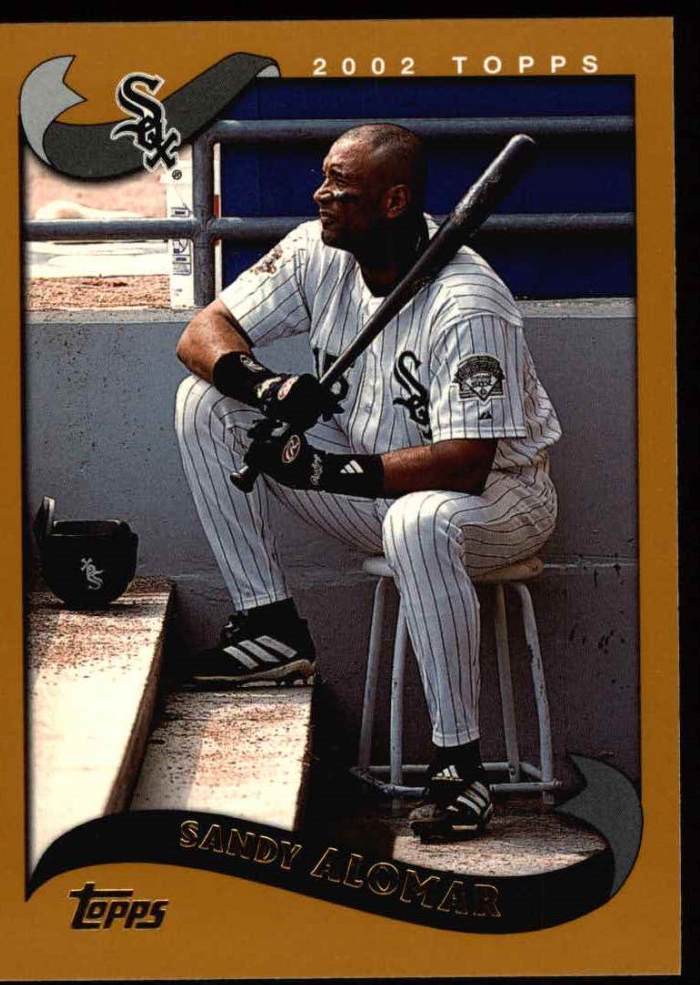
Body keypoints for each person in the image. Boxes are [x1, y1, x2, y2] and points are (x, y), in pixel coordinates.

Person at [174, 123, 561, 842]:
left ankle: (459, 769)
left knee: (421, 520)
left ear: (394, 202)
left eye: (341, 187)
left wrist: (326, 470)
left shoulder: (468, 301)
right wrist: (266, 387)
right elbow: (204, 330)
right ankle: (270, 626)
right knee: (206, 402)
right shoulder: (317, 253)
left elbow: (467, 463)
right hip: (378, 485)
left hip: (498, 502)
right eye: (324, 179)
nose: (321, 196)